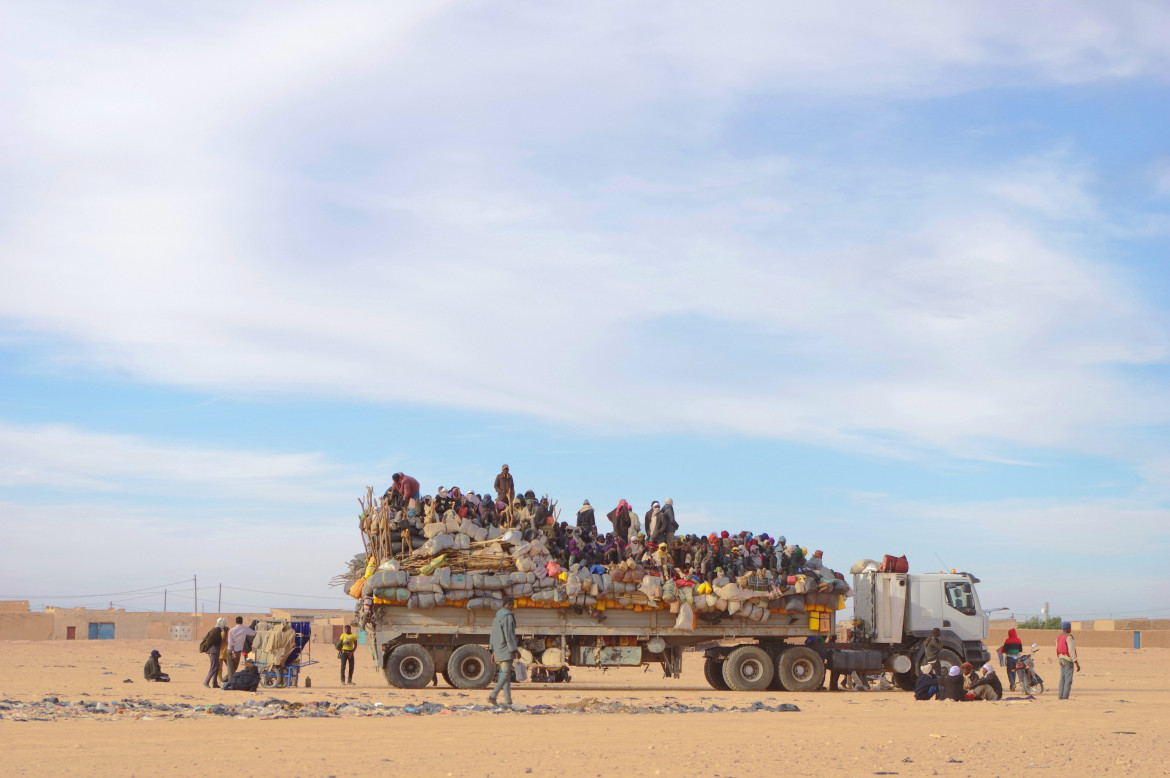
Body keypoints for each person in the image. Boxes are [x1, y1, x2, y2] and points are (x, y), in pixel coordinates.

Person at [487, 598, 518, 707]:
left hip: (498, 648)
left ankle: (508, 700)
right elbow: (509, 635)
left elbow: (493, 634)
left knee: (505, 674)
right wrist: (515, 649)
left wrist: (492, 649)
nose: (512, 606)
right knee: (505, 674)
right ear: (508, 604)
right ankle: (493, 696)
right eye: (512, 604)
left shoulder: (497, 617)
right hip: (506, 649)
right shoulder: (508, 617)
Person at [199, 617, 227, 688]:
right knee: (214, 667)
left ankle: (214, 683)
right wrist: (207, 650)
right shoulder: (216, 630)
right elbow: (210, 640)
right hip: (213, 651)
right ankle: (206, 682)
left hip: (215, 651)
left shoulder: (218, 630)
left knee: (217, 667)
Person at [1057, 621, 1080, 699]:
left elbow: (1057, 648)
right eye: (1070, 627)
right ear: (1067, 628)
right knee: (1068, 679)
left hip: (1061, 658)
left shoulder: (1058, 637)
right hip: (1068, 659)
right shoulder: (1069, 637)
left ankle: (1060, 696)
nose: (1071, 629)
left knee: (1062, 678)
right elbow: (1071, 651)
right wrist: (1076, 663)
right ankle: (1065, 697)